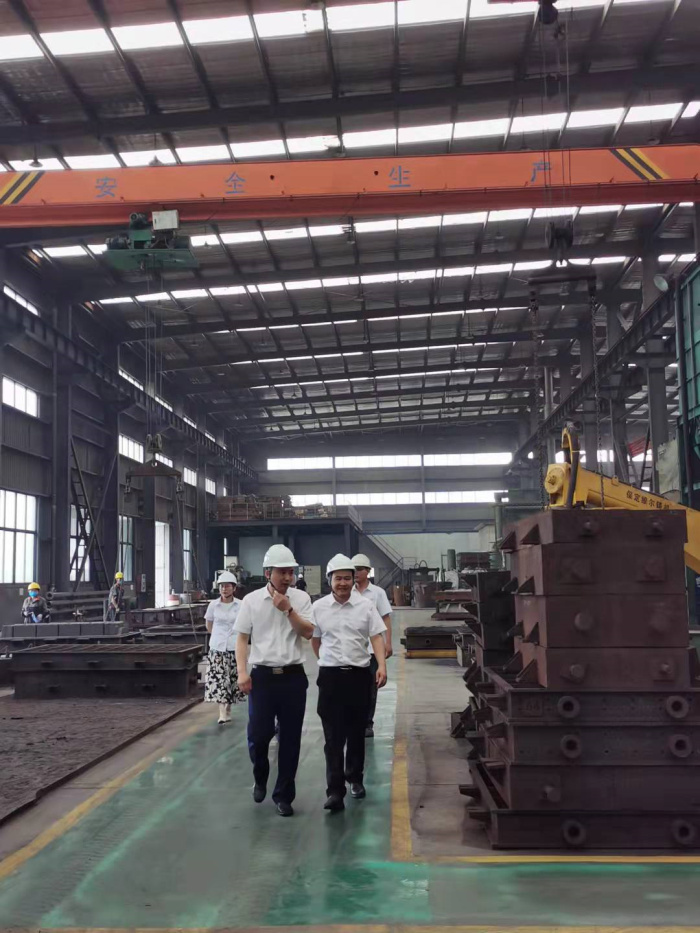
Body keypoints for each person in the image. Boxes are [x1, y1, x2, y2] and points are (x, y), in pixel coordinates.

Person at [235, 544, 314, 817]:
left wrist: (288, 610)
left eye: (291, 572)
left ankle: (284, 795)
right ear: (268, 573)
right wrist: (242, 672)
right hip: (263, 678)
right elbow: (242, 638)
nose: (288, 578)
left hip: (293, 677)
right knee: (258, 735)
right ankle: (260, 776)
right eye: (282, 572)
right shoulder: (251, 601)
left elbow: (308, 633)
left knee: (290, 740)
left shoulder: (301, 598)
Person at [312, 554, 387, 813]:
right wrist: (327, 661)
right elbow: (315, 640)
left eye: (347, 578)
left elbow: (376, 636)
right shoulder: (319, 607)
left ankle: (355, 778)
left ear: (354, 580)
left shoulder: (366, 606)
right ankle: (335, 791)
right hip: (330, 678)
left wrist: (382, 665)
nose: (342, 583)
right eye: (338, 578)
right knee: (333, 737)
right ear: (329, 580)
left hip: (359, 675)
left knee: (356, 732)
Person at [351, 554, 394, 737]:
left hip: (372, 650)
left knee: (371, 688)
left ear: (368, 571)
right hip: (353, 649)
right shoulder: (348, 592)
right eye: (353, 570)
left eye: (360, 569)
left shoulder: (377, 593)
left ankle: (367, 723)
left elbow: (385, 618)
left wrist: (388, 642)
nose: (356, 573)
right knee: (353, 689)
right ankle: (353, 721)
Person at [205, 570, 246, 724]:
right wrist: (218, 637)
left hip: (235, 648)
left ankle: (228, 707)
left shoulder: (241, 605)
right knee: (220, 680)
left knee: (232, 680)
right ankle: (222, 713)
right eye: (222, 586)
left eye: (228, 586)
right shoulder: (213, 605)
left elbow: (244, 625)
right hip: (217, 648)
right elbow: (209, 624)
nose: (224, 589)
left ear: (234, 588)